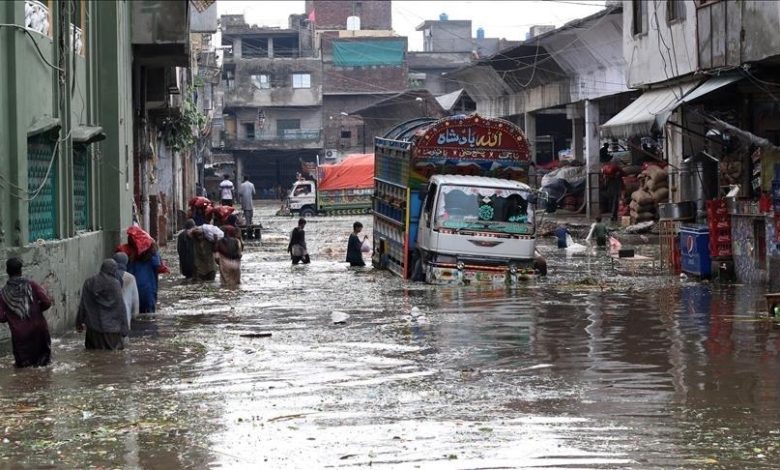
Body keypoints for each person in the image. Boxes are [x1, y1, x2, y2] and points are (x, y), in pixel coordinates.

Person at [0, 258, 52, 367]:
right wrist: (35, 310)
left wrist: (13, 315)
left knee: (24, 370)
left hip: (20, 336)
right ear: (21, 271)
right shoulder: (31, 285)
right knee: (45, 366)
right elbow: (46, 302)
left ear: (7, 271)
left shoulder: (3, 293)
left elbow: (1, 317)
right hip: (40, 331)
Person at [76, 259, 128, 350]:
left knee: (92, 358)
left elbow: (83, 304)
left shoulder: (89, 282)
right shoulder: (115, 284)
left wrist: (79, 322)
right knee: (112, 360)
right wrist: (124, 328)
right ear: (113, 270)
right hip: (111, 332)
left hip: (93, 331)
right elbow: (121, 307)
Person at [124, 227, 161, 314]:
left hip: (133, 294)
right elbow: (158, 265)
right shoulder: (152, 255)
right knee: (150, 318)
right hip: (149, 293)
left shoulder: (129, 255)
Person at [112, 253, 139, 331]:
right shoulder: (130, 278)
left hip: (108, 320)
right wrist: (134, 314)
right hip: (125, 317)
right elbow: (135, 299)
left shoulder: (108, 276)